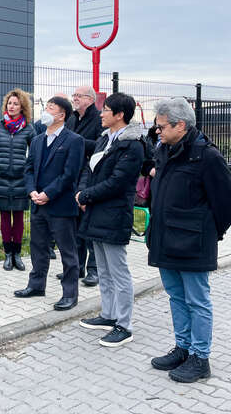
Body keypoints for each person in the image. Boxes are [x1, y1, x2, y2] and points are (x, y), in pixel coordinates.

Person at [147, 97, 231, 383]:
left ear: (180, 125)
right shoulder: (165, 150)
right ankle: (182, 348)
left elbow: (225, 203)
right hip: (165, 238)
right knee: (176, 297)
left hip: (193, 242)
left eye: (161, 126)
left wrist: (208, 233)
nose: (157, 131)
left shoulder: (206, 156)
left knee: (198, 300)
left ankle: (200, 357)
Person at [76, 93, 144, 347]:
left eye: (105, 110)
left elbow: (118, 182)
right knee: (103, 270)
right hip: (95, 211)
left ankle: (124, 325)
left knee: (118, 271)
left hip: (114, 213)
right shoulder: (105, 140)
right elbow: (88, 170)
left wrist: (86, 195)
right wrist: (82, 192)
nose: (101, 114)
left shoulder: (133, 145)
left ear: (119, 115)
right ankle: (108, 314)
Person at [15, 96, 84, 311]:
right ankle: (36, 285)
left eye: (50, 108)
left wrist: (48, 194)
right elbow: (29, 169)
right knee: (38, 248)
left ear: (61, 115)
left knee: (67, 251)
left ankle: (70, 294)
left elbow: (69, 175)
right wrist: (32, 191)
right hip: (38, 204)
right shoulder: (37, 140)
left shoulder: (74, 140)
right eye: (45, 107)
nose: (45, 111)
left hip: (60, 206)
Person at [0, 89, 35, 271]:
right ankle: (7, 255)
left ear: (22, 107)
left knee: (19, 217)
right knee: (5, 216)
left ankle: (17, 255)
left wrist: (26, 164)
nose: (11, 107)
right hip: (1, 178)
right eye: (9, 103)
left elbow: (35, 152)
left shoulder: (29, 128)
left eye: (15, 104)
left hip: (21, 179)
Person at [67, 85, 103, 287]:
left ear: (90, 99)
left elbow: (100, 145)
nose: (75, 99)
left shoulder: (98, 120)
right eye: (74, 96)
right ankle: (77, 266)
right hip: (73, 175)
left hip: (90, 175)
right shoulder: (72, 118)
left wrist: (78, 142)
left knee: (89, 225)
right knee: (75, 226)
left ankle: (94, 270)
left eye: (78, 96)